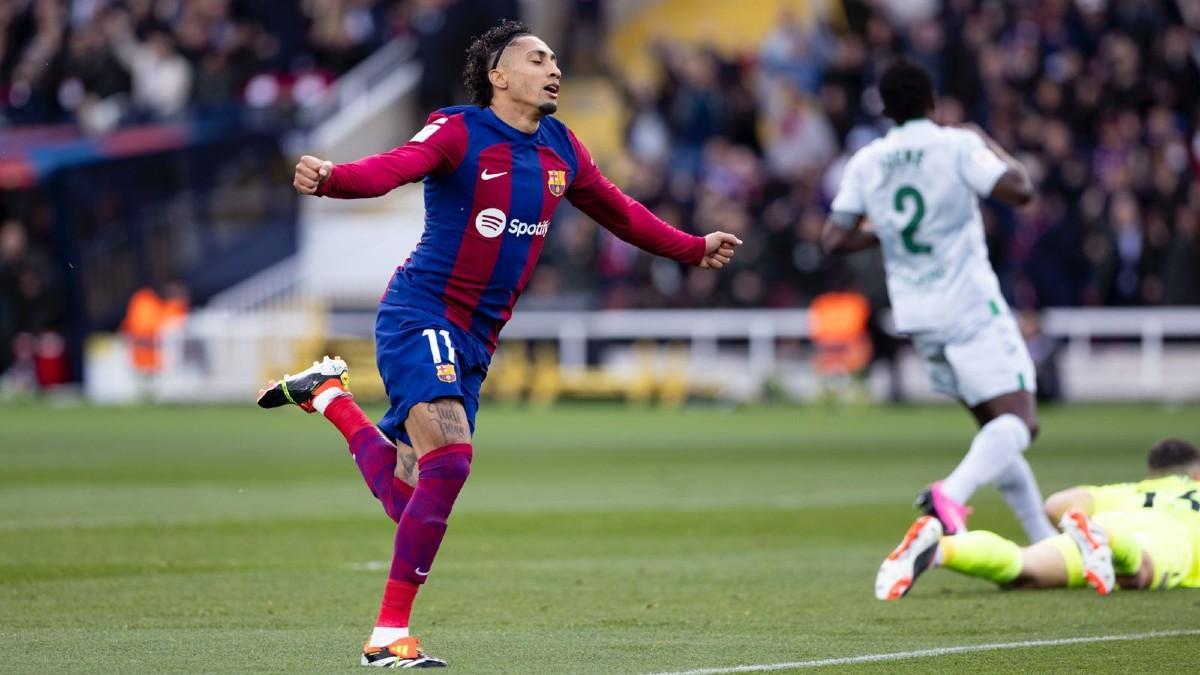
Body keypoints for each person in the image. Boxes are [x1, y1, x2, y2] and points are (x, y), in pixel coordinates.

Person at [256, 19, 742, 669]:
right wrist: (334, 179)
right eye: (537, 58)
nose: (554, 68)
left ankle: (330, 398)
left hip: (476, 339)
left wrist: (692, 246)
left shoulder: (562, 148)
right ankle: (386, 636)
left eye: (555, 59)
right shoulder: (459, 128)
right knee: (452, 459)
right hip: (418, 312)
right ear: (499, 76)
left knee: (411, 498)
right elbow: (395, 166)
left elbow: (622, 212)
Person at [820, 58, 1054, 544]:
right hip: (968, 306)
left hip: (918, 318)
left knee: (995, 429)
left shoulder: (867, 161)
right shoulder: (956, 145)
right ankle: (951, 493)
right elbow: (1020, 189)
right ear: (932, 102)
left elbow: (834, 238)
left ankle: (1044, 543)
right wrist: (982, 138)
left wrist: (884, 227)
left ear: (885, 110)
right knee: (1020, 423)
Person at [875, 438, 1200, 600]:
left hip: (1100, 527)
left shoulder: (1129, 490)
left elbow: (1058, 504)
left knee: (1022, 568)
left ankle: (939, 550)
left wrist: (1082, 521)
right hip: (1161, 538)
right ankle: (1105, 540)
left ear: (1153, 473)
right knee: (1138, 571)